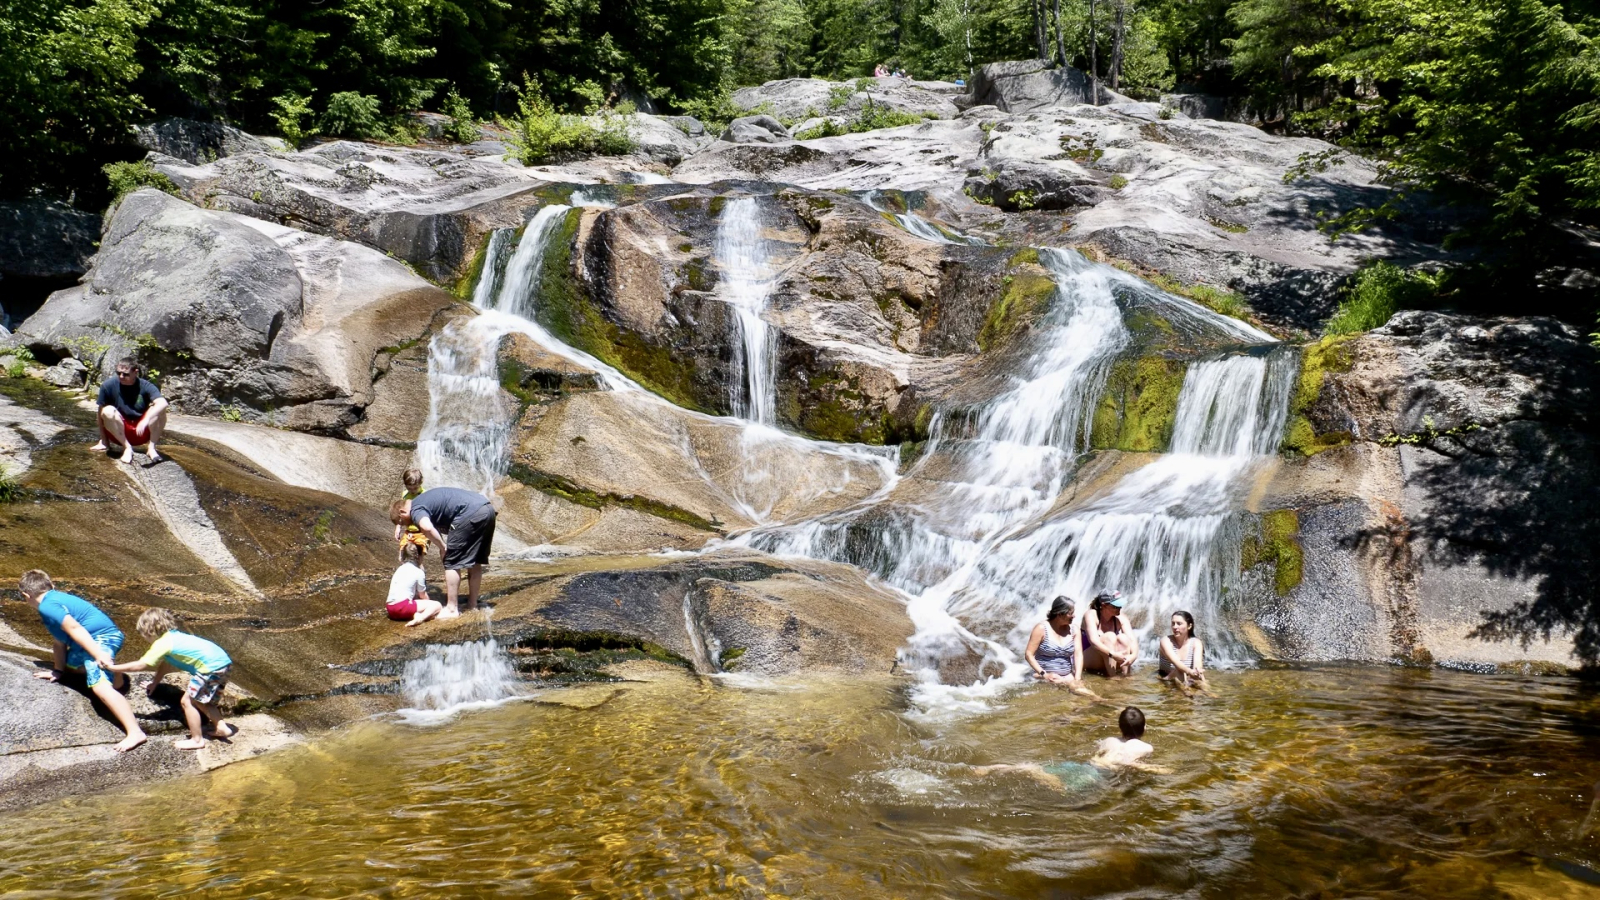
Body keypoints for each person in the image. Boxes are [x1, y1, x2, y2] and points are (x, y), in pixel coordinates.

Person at [18, 569, 147, 752]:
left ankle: (135, 732)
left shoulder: (48, 605)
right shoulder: (53, 602)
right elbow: (59, 643)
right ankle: (114, 673)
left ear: (26, 595)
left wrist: (98, 654)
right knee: (72, 668)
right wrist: (58, 671)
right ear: (51, 586)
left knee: (99, 685)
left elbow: (75, 628)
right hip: (89, 641)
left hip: (102, 638)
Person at [105, 608, 235, 750]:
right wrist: (154, 683)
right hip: (224, 664)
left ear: (149, 630)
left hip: (210, 668)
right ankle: (221, 727)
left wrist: (113, 668)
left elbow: (141, 665)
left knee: (187, 702)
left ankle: (197, 740)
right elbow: (166, 664)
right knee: (202, 700)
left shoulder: (163, 643)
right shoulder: (176, 637)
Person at [391, 486, 497, 619]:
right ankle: (472, 604)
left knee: (451, 561)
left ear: (402, 512)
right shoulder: (424, 500)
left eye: (402, 522)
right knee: (475, 560)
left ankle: (452, 609)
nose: (406, 525)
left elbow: (427, 527)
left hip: (469, 513)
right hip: (487, 509)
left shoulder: (415, 509)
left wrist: (442, 547)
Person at [90, 357, 168, 465]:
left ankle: (151, 448)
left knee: (159, 410)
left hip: (141, 431)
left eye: (125, 374)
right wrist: (104, 440)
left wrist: (145, 420)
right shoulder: (108, 385)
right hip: (119, 433)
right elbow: (100, 413)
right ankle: (127, 448)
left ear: (135, 372)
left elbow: (163, 403)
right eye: (118, 373)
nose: (121, 376)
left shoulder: (146, 385)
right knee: (107, 410)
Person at [1025, 596, 1088, 691]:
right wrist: (1044, 675)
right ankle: (1103, 701)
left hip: (1067, 676)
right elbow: (1029, 654)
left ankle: (1101, 701)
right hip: (1043, 675)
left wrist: (1077, 678)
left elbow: (1078, 654)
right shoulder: (1041, 629)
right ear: (1059, 614)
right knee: (1079, 691)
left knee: (1077, 689)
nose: (1074, 616)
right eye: (1070, 613)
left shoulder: (1074, 630)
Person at [387, 541, 443, 627]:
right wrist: (429, 603)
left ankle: (416, 615)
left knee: (415, 604)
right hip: (402, 607)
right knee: (437, 605)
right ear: (419, 557)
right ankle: (421, 618)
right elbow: (423, 596)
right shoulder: (418, 572)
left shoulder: (400, 569)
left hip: (391, 609)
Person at [1083, 590, 1138, 676]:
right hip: (1090, 659)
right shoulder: (1091, 615)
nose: (1120, 608)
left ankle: (1126, 676)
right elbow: (1094, 642)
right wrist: (1113, 655)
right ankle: (1112, 678)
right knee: (1110, 637)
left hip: (1113, 658)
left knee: (1123, 638)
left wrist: (1133, 656)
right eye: (1116, 606)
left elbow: (1132, 640)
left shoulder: (1121, 618)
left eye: (1120, 605)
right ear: (1103, 605)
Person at [1091, 706, 1155, 769]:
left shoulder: (1108, 741)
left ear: (1120, 727)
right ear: (1144, 728)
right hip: (1107, 771)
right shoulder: (1146, 748)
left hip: (1091, 766)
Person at [1158, 610, 1207, 692]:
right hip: (1166, 679)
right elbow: (1176, 662)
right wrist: (1189, 671)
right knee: (1179, 670)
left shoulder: (1196, 643)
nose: (1175, 627)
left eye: (1179, 624)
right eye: (1173, 623)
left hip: (1187, 678)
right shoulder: (1166, 641)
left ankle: (1207, 693)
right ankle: (1186, 694)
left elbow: (1198, 663)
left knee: (1199, 676)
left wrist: (1197, 671)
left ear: (1189, 626)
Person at [394, 468, 429, 562]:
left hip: (421, 532)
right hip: (408, 531)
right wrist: (398, 527)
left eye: (415, 488)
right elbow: (401, 512)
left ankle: (420, 575)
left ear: (420, 483)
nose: (412, 491)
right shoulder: (405, 495)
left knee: (418, 558)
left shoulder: (425, 495)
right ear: (405, 485)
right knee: (402, 556)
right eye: (409, 488)